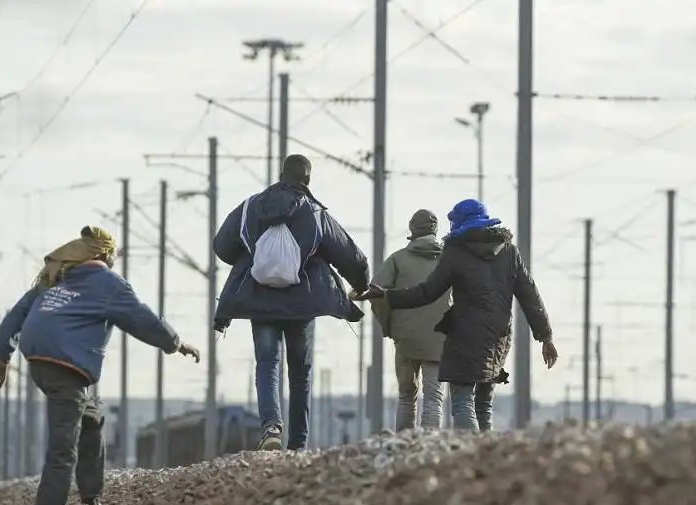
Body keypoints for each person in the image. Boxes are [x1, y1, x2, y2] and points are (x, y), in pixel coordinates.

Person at [0, 226, 200, 505]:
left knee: (92, 419)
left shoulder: (56, 277)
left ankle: (91, 503)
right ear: (104, 255)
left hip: (42, 363)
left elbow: (17, 314)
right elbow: (141, 317)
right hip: (65, 367)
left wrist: (0, 359)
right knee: (61, 453)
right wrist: (176, 343)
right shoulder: (108, 284)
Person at [354, 199, 557, 431]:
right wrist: (545, 337)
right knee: (483, 404)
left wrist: (389, 296)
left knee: (462, 401)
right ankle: (483, 455)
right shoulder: (510, 252)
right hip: (498, 337)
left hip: (465, 335)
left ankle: (468, 451)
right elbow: (530, 295)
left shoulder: (455, 252)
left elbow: (427, 292)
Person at [213, 154, 369, 451]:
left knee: (267, 362)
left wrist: (253, 259)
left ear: (281, 174)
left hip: (259, 299)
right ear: (307, 180)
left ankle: (271, 427)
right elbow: (352, 256)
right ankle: (298, 445)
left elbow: (222, 245)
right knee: (301, 372)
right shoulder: (315, 212)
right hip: (302, 303)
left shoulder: (250, 207)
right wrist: (360, 286)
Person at [369, 209, 450, 431]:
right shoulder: (449, 260)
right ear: (435, 231)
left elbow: (376, 295)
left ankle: (405, 443)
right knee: (434, 395)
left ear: (412, 230)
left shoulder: (397, 259)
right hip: (440, 339)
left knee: (406, 394)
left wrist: (389, 327)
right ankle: (430, 446)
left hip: (405, 339)